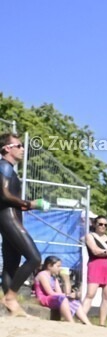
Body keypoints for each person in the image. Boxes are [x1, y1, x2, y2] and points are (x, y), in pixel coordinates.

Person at [1, 133, 46, 316]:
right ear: (7, 149)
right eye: (18, 146)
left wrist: (25, 205)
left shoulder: (8, 168)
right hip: (8, 217)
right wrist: (30, 204)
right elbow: (3, 195)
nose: (22, 149)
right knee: (34, 258)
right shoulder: (4, 166)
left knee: (11, 264)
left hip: (9, 216)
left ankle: (10, 306)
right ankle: (10, 298)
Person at [81, 215, 107, 326]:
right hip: (95, 265)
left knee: (106, 296)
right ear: (95, 225)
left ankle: (102, 323)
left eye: (105, 225)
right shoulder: (90, 236)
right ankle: (82, 317)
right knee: (90, 293)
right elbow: (94, 251)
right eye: (100, 224)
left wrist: (103, 251)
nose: (103, 227)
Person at [33, 256, 90, 324]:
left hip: (52, 298)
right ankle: (70, 321)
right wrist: (67, 295)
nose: (59, 268)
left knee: (74, 300)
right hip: (43, 299)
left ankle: (87, 323)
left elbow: (59, 292)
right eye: (58, 266)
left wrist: (69, 295)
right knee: (62, 299)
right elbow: (50, 292)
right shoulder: (42, 275)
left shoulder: (53, 277)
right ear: (49, 266)